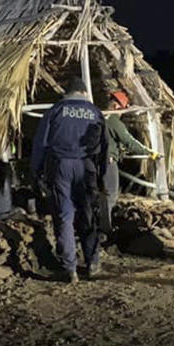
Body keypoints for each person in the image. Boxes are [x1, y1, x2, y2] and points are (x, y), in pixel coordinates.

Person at [31, 78, 108, 283]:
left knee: (65, 214)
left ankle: (70, 268)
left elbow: (41, 143)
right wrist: (101, 174)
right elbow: (104, 146)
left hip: (61, 166)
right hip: (87, 166)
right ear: (84, 93)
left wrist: (36, 171)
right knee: (88, 213)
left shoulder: (55, 111)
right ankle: (92, 262)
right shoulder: (95, 112)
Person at [100, 90, 160, 235]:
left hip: (92, 162)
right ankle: (105, 229)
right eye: (122, 110)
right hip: (108, 162)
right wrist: (149, 153)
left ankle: (94, 225)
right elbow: (130, 142)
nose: (122, 114)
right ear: (116, 106)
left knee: (98, 194)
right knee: (110, 194)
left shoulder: (98, 117)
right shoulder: (113, 121)